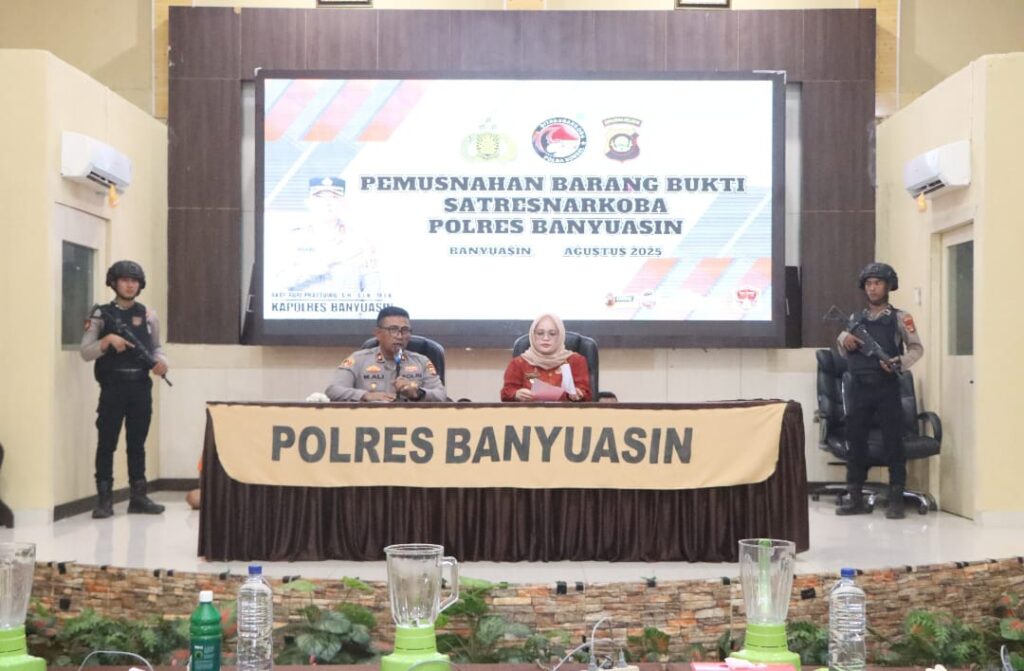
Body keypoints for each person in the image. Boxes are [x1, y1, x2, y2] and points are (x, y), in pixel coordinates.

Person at [835, 262, 924, 519]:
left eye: (877, 283)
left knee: (893, 443)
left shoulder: (901, 317)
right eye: (868, 284)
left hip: (886, 387)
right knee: (856, 442)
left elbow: (916, 348)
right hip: (859, 388)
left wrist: (899, 362)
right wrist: (844, 339)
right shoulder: (855, 319)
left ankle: (896, 499)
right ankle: (855, 497)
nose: (872, 288)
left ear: (888, 286)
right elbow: (843, 348)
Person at [80, 260, 168, 518]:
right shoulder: (100, 315)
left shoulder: (149, 315)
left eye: (134, 281)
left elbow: (156, 347)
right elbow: (85, 352)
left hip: (140, 387)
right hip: (112, 387)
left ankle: (138, 497)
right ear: (114, 282)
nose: (130, 285)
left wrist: (162, 362)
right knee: (107, 443)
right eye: (125, 280)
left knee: (137, 443)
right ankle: (104, 499)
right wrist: (107, 340)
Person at [276, 176, 382, 296]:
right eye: (320, 197)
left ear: (343, 203)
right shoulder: (293, 239)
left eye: (334, 197)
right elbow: (281, 282)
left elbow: (373, 289)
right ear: (309, 202)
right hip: (305, 308)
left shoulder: (360, 241)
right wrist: (321, 263)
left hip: (346, 308)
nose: (327, 203)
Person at [325, 306, 446, 402]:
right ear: (378, 333)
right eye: (393, 330)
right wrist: (365, 395)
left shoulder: (422, 361)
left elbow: (441, 394)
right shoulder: (358, 359)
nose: (400, 336)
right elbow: (333, 390)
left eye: (405, 330)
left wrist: (417, 393)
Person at [501, 313, 592, 402]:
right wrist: (516, 394)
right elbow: (506, 393)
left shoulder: (576, 361)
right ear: (533, 335)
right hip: (530, 411)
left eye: (552, 334)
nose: (545, 338)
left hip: (565, 412)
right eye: (540, 333)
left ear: (560, 336)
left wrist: (578, 394)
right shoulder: (519, 363)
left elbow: (587, 395)